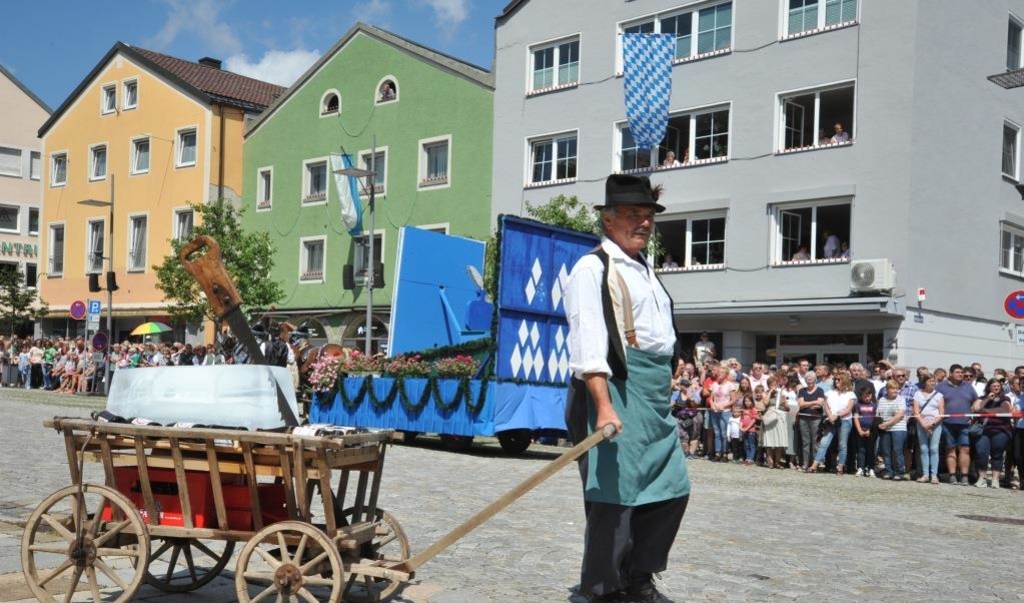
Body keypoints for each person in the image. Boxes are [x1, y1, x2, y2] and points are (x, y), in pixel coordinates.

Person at [563, 173, 689, 602]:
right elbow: (587, 345)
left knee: (671, 488)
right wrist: (602, 405)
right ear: (608, 221)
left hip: (651, 392)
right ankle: (600, 589)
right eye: (634, 214)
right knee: (615, 497)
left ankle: (637, 576)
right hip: (614, 387)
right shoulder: (592, 268)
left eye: (649, 215)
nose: (645, 223)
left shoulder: (645, 269)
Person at [936, 364, 977, 486]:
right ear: (951, 373)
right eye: (958, 372)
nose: (961, 375)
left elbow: (976, 401)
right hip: (947, 424)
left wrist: (975, 413)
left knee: (965, 449)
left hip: (965, 424)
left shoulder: (968, 387)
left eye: (961, 373)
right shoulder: (941, 387)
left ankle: (964, 476)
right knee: (950, 449)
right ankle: (952, 476)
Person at [809, 375, 855, 474]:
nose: (836, 381)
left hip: (844, 420)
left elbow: (848, 409)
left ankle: (841, 466)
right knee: (824, 442)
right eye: (835, 379)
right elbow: (825, 405)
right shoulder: (830, 393)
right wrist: (830, 416)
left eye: (839, 379)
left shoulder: (850, 394)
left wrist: (837, 415)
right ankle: (815, 464)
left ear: (845, 381)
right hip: (831, 420)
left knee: (842, 445)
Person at [972, 378, 1013, 488]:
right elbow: (976, 408)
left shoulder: (1005, 398)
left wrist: (985, 411)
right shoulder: (981, 398)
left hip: (1000, 430)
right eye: (993, 386)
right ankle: (982, 478)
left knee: (997, 453)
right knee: (981, 452)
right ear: (988, 387)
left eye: (998, 386)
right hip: (984, 430)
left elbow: (1005, 409)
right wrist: (987, 400)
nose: (996, 388)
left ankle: (995, 479)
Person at [912, 373, 944, 484]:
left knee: (934, 449)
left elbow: (941, 413)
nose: (932, 383)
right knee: (924, 449)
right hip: (921, 424)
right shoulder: (917, 394)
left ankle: (934, 475)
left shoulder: (939, 395)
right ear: (924, 382)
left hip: (936, 425)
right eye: (930, 381)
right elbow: (916, 412)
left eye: (934, 381)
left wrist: (932, 424)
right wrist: (923, 424)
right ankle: (925, 474)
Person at [876, 380, 907, 480]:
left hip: (898, 428)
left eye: (896, 388)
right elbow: (878, 414)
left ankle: (899, 472)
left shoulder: (901, 399)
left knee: (897, 450)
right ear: (887, 390)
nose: (895, 390)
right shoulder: (882, 400)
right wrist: (879, 424)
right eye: (892, 388)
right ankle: (889, 471)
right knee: (886, 451)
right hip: (885, 429)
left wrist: (887, 424)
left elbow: (900, 415)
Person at [797, 371, 825, 471]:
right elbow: (801, 404)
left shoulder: (820, 390)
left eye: (811, 378)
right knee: (805, 442)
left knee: (815, 442)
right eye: (807, 378)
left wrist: (806, 403)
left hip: (816, 419)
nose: (809, 380)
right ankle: (805, 463)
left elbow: (820, 405)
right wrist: (814, 402)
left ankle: (814, 464)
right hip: (803, 418)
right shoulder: (802, 391)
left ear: (815, 379)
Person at [853, 384, 878, 477]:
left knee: (871, 450)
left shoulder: (875, 405)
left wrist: (870, 430)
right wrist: (859, 430)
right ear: (861, 396)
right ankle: (860, 467)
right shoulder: (858, 405)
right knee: (861, 450)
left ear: (871, 395)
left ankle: (870, 468)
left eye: (868, 396)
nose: (866, 398)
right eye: (864, 396)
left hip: (871, 431)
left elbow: (876, 419)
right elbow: (856, 417)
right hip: (861, 430)